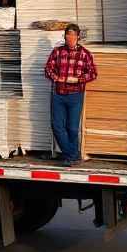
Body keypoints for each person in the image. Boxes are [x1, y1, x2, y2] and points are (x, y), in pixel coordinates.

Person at [44, 23, 97, 166]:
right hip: (58, 94)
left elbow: (93, 73)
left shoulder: (85, 54)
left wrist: (79, 79)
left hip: (75, 95)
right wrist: (57, 78)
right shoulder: (57, 52)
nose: (70, 38)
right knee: (57, 126)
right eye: (68, 35)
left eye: (73, 35)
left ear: (78, 37)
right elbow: (48, 69)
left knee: (72, 128)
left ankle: (70, 157)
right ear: (65, 37)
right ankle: (72, 155)